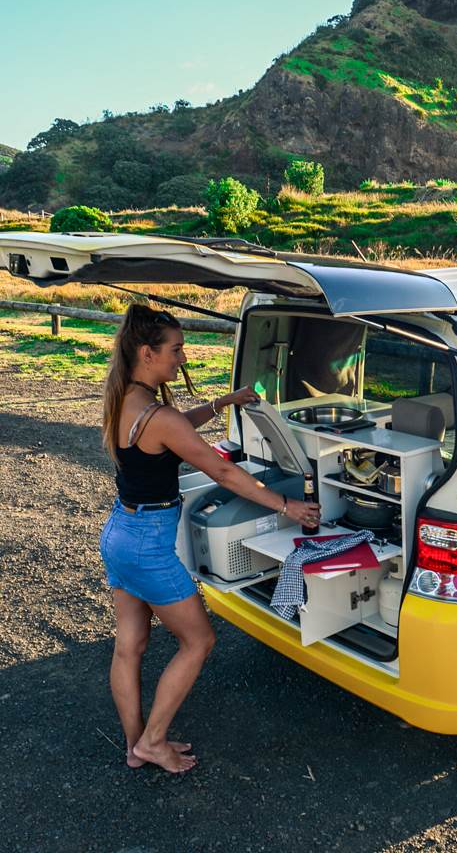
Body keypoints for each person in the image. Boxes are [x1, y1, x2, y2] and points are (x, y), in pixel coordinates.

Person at [99, 303, 320, 773]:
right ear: (147, 352)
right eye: (176, 350)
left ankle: (135, 744)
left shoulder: (123, 397)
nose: (183, 357)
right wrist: (286, 506)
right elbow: (222, 469)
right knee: (198, 641)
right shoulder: (159, 414)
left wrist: (220, 404)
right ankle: (153, 742)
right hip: (148, 546)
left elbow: (175, 431)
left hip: (120, 533)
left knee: (129, 645)